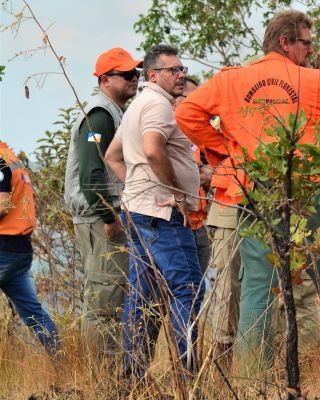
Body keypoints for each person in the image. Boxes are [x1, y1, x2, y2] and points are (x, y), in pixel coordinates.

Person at [175, 10, 320, 371]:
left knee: (258, 286)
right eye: (307, 43)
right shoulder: (316, 81)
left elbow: (187, 113)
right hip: (309, 190)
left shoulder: (230, 81)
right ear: (286, 42)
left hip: (253, 190)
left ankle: (254, 381)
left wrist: (224, 149)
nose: (311, 51)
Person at [104, 44, 203, 382]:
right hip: (162, 216)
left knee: (142, 296)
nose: (181, 75)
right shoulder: (158, 105)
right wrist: (173, 192)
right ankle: (190, 377)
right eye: (173, 70)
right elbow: (152, 149)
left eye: (182, 68)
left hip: (139, 211)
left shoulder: (137, 106)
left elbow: (113, 156)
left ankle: (132, 378)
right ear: (153, 75)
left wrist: (138, 189)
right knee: (188, 289)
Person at [63, 47, 141, 360]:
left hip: (105, 217)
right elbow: (91, 171)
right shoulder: (100, 114)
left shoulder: (114, 112)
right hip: (101, 219)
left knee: (112, 295)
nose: (134, 78)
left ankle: (111, 374)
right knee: (104, 300)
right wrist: (109, 217)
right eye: (126, 74)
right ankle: (102, 380)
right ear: (105, 80)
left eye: (136, 72)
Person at [0, 141, 61, 357]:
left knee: (34, 313)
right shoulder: (11, 157)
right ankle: (64, 366)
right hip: (20, 249)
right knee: (34, 314)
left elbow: (2, 205)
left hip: (4, 247)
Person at [175, 76, 213, 271]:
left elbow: (215, 170)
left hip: (199, 225)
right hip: (176, 225)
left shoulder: (197, 134)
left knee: (197, 288)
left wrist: (208, 174)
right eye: (189, 98)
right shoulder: (162, 131)